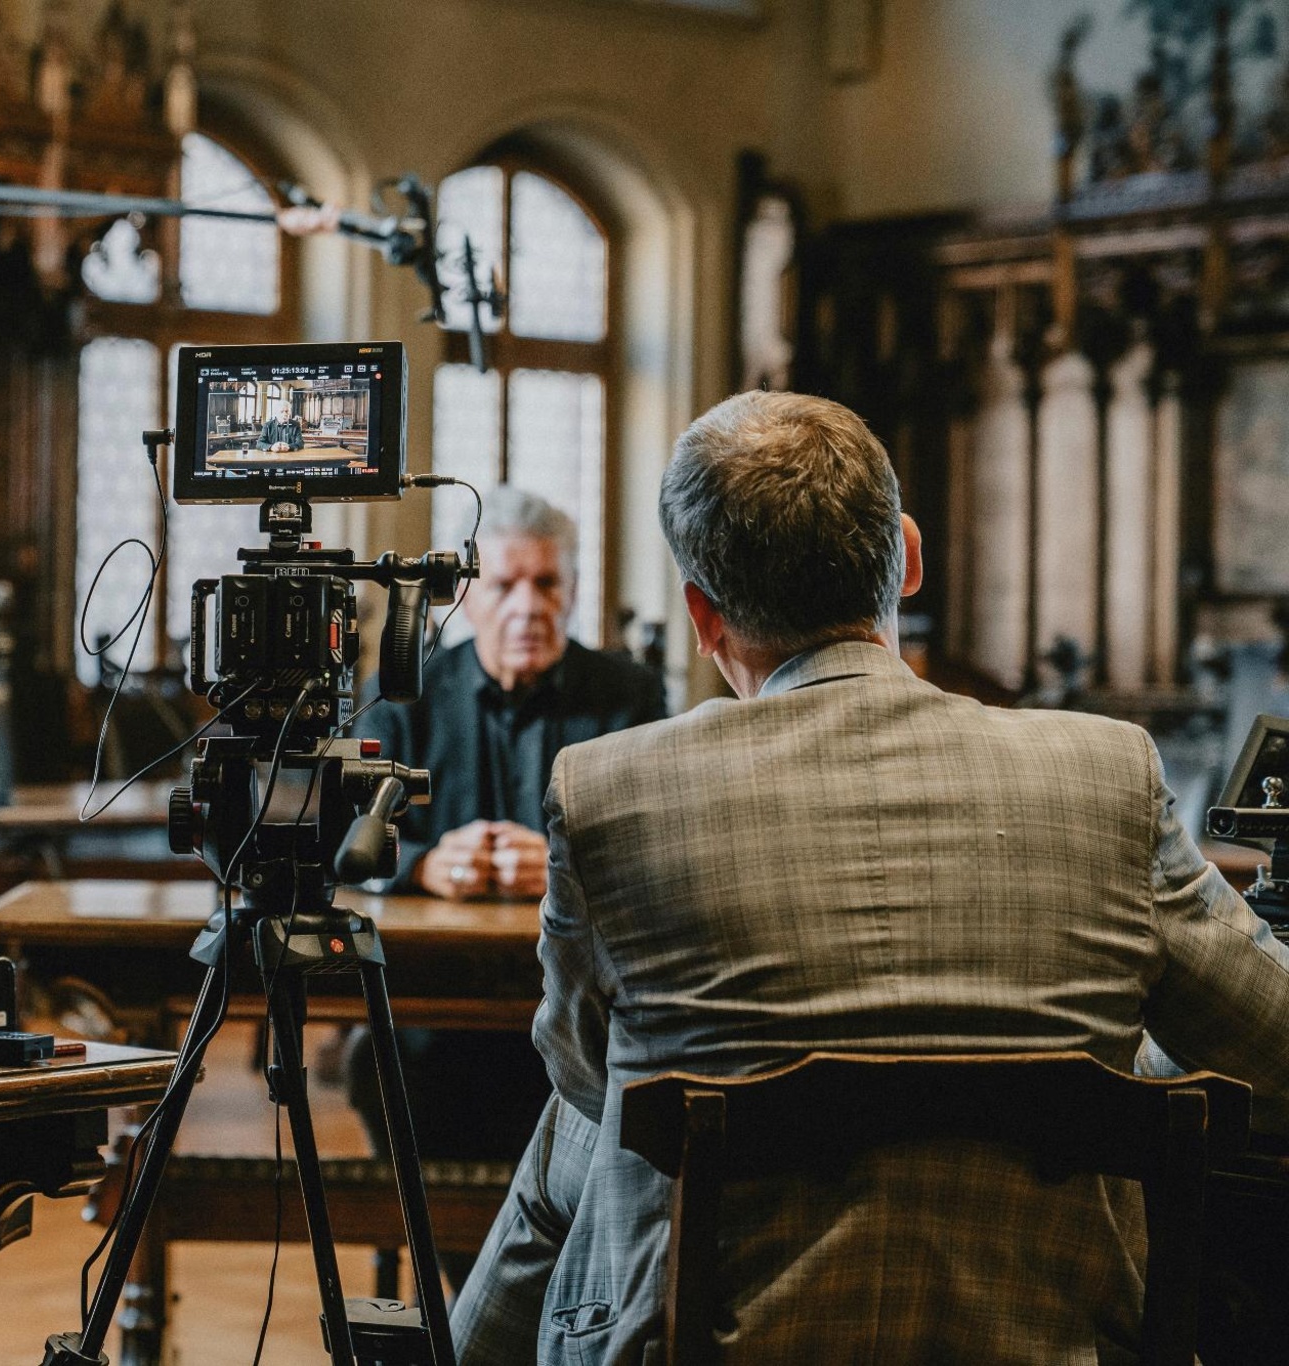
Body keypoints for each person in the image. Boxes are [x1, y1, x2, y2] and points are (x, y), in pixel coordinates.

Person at [452, 389, 1289, 1364]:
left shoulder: (606, 793)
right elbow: (1271, 1048)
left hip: (708, 1342)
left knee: (587, 1117)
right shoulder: (1103, 773)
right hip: (1043, 1341)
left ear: (700, 616)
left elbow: (591, 1076)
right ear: (907, 554)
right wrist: (1107, 1059)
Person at [350, 485, 664, 1287]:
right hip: (441, 1015)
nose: (529, 607)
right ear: (468, 595)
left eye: (548, 585)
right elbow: (339, 840)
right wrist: (422, 862)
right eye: (505, 585)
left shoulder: (627, 694)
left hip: (578, 1016)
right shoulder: (405, 693)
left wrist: (569, 866)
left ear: (574, 591)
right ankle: (475, 1284)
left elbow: (658, 842)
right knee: (376, 1066)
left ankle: (547, 1288)